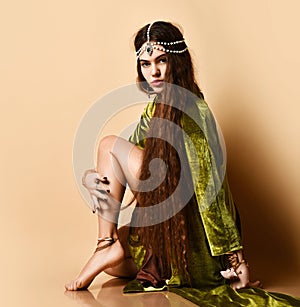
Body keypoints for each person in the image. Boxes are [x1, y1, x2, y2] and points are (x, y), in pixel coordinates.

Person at [65, 21, 300, 306]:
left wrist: (235, 258)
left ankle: (106, 244)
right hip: (170, 223)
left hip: (195, 236)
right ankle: (115, 249)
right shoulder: (155, 105)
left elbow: (209, 189)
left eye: (161, 60)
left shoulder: (192, 110)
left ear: (176, 61)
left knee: (107, 145)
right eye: (145, 64)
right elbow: (132, 158)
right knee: (116, 266)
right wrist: (98, 187)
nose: (154, 71)